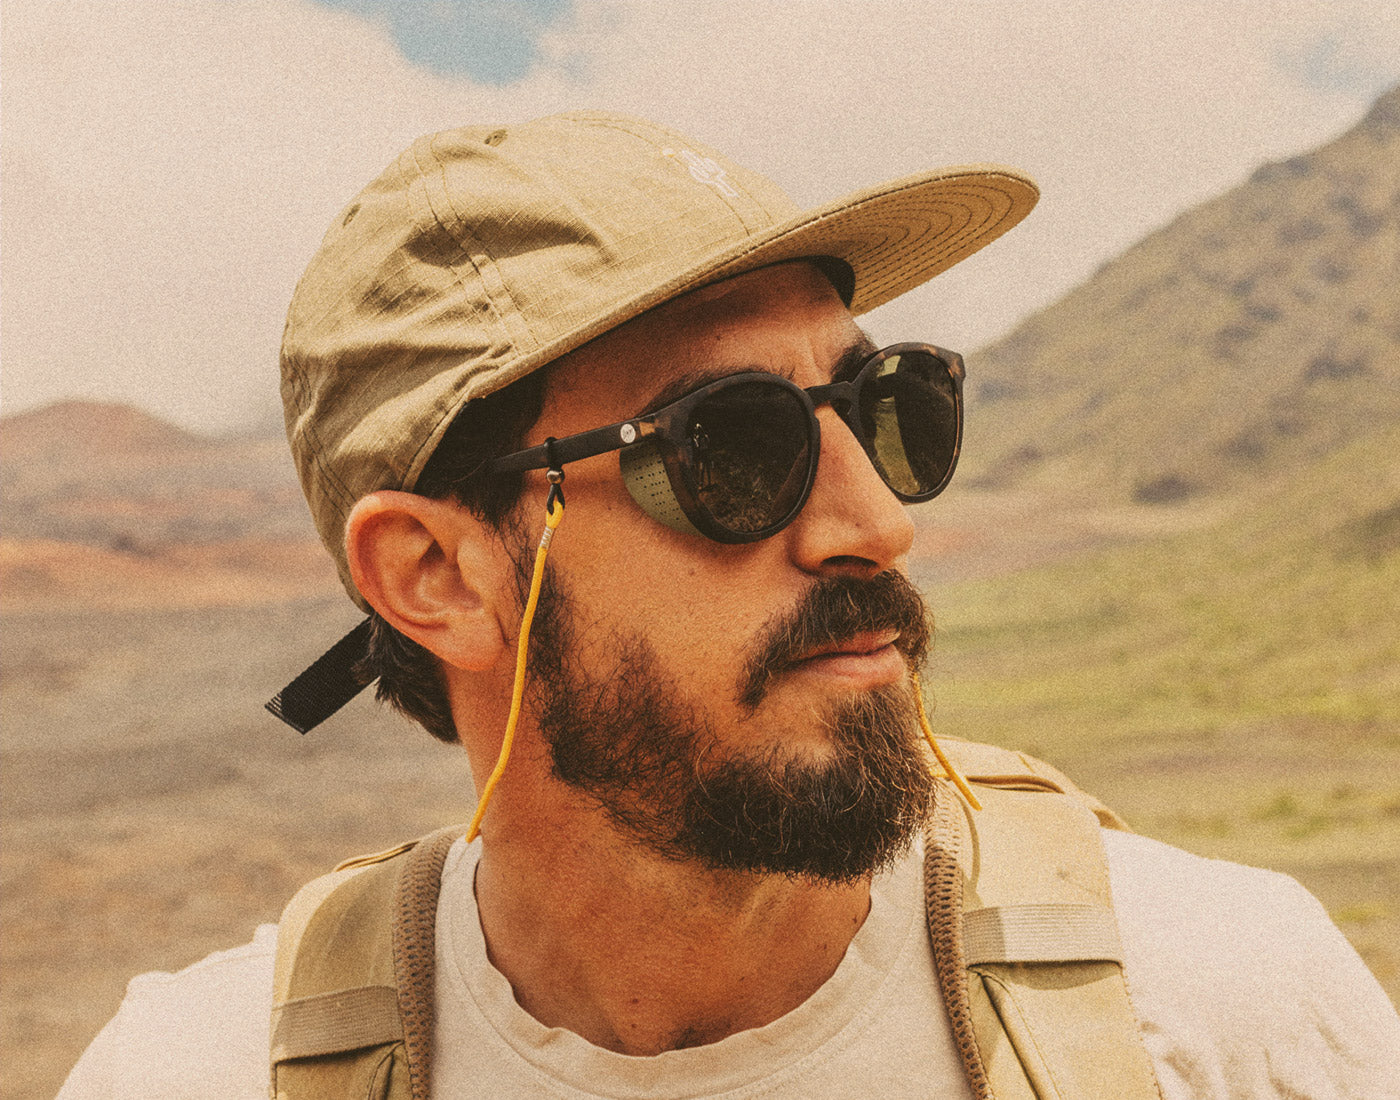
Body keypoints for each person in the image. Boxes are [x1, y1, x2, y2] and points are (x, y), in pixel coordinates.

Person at [61, 112, 1399, 1099]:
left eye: (890, 410)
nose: (879, 523)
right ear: (439, 575)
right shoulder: (193, 1076)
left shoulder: (1224, 1011)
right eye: (733, 448)